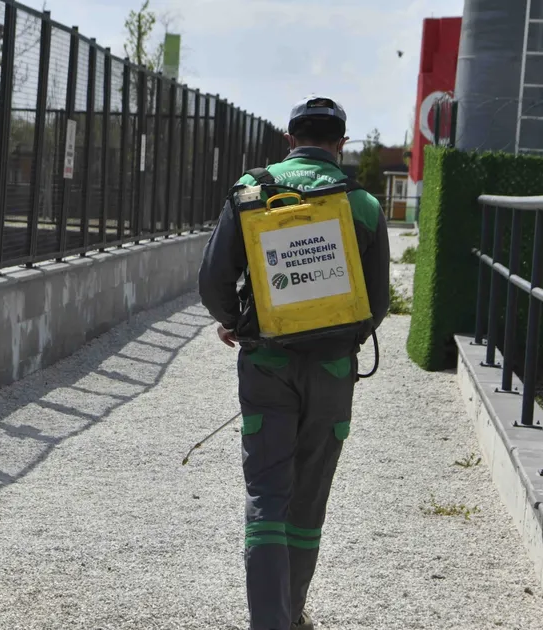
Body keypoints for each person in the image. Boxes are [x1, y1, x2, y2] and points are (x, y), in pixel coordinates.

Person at [198, 96, 391, 630]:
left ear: (290, 139)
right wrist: (333, 335)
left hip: (266, 364)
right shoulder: (364, 205)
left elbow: (212, 280)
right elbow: (377, 305)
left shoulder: (251, 190)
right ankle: (294, 611)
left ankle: (269, 622)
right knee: (307, 502)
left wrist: (239, 322)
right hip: (331, 371)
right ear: (341, 144)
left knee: (266, 495)